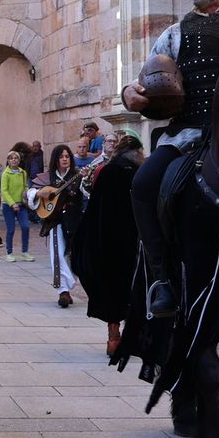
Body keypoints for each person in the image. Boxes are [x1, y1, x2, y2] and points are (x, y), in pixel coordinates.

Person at [121, 0, 219, 318]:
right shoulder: (175, 33)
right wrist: (129, 94)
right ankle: (162, 278)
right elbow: (144, 81)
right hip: (188, 136)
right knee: (144, 185)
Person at [73, 131, 143, 356]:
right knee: (134, 288)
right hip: (133, 240)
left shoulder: (107, 170)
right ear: (137, 152)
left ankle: (114, 336)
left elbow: (96, 208)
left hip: (107, 241)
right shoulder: (137, 172)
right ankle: (128, 337)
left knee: (113, 289)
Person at [31, 143, 80, 306]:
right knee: (57, 255)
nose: (65, 159)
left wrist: (86, 182)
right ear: (56, 159)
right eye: (61, 156)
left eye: (67, 156)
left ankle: (69, 285)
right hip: (55, 222)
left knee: (73, 255)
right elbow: (26, 194)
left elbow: (86, 194)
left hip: (73, 221)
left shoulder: (77, 175)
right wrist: (39, 192)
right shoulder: (48, 178)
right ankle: (63, 291)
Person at [0, 145, 34, 263]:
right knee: (11, 229)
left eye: (16, 158)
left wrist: (27, 194)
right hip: (8, 205)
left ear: (19, 161)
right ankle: (9, 253)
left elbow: (25, 186)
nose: (14, 160)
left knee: (25, 226)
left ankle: (25, 252)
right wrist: (12, 203)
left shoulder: (23, 173)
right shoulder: (6, 174)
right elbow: (4, 190)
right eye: (11, 158)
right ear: (8, 160)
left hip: (21, 205)